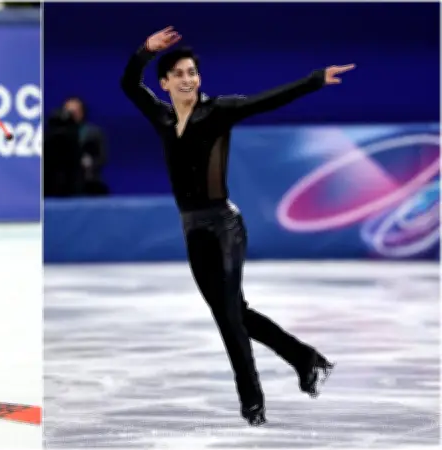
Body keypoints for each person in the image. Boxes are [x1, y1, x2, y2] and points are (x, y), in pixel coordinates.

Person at [120, 26, 354, 426]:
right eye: (179, 74)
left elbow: (269, 100)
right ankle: (306, 360)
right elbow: (128, 83)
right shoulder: (160, 116)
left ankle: (252, 403)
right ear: (165, 82)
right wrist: (144, 50)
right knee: (235, 312)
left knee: (229, 317)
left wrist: (315, 79)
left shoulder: (219, 111)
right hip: (192, 229)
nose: (188, 79)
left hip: (225, 228)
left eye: (192, 72)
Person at [61, 97, 109, 196]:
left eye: (74, 112)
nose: (71, 115)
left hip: (89, 182)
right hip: (64, 184)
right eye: (68, 112)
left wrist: (89, 163)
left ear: (82, 112)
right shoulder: (56, 135)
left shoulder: (94, 133)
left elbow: (102, 157)